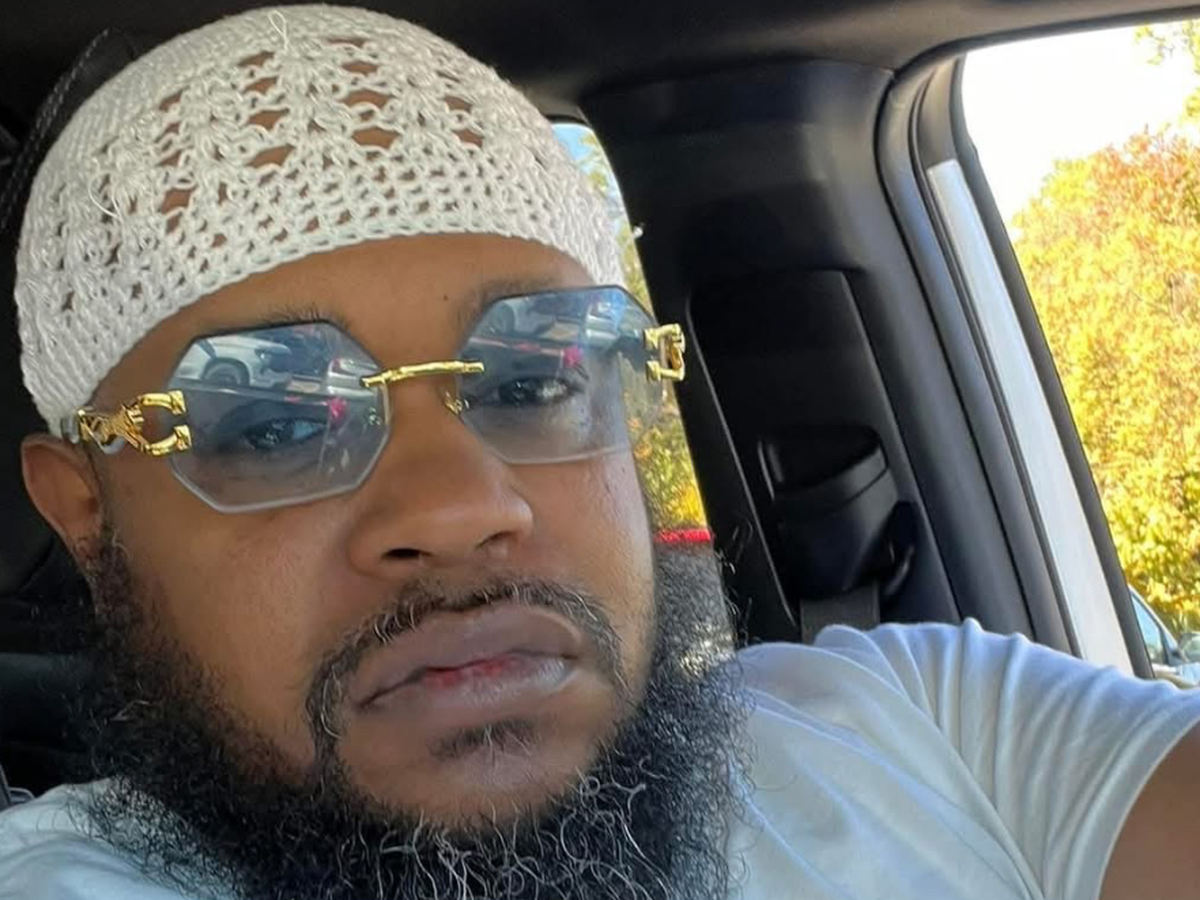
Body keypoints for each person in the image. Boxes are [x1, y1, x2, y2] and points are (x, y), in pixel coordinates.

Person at [0, 6, 1197, 900]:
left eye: (533, 382)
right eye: (270, 422)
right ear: (86, 516)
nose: (463, 506)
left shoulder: (927, 718)